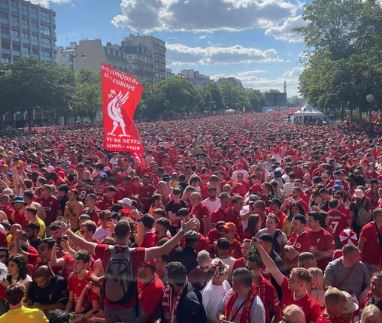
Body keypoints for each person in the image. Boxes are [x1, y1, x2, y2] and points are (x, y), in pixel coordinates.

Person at [62, 217, 198, 323]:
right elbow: (164, 249)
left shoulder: (104, 250)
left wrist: (67, 230)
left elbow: (83, 243)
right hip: (128, 306)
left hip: (109, 305)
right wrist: (182, 232)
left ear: (114, 233)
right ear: (130, 233)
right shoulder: (136, 253)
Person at [254, 238, 321, 323]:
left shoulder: (312, 306)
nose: (288, 280)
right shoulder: (287, 287)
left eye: (292, 279)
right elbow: (272, 267)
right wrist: (260, 248)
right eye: (289, 277)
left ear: (301, 284)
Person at [65, 250, 99, 322]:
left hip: (88, 316)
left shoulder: (92, 279)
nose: (74, 265)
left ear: (86, 265)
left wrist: (81, 318)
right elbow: (70, 301)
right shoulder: (71, 277)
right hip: (75, 313)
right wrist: (65, 314)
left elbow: (96, 308)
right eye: (74, 262)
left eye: (78, 263)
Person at [246, 254, 281, 323]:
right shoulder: (242, 283)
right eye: (246, 268)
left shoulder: (269, 287)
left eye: (251, 269)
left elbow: (277, 313)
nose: (247, 271)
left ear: (260, 269)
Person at [358, 208, 382, 276]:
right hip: (367, 260)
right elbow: (361, 243)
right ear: (375, 217)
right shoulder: (368, 228)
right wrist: (359, 257)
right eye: (380, 215)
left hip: (378, 260)